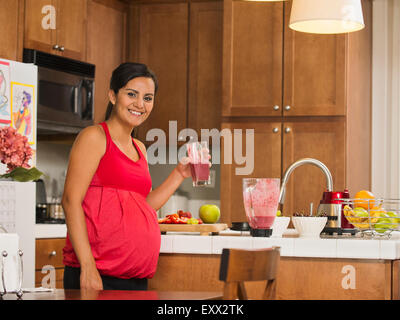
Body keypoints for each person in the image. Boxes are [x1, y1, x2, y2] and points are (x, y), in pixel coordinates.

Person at [62, 62, 210, 291]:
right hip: (98, 274)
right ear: (112, 95)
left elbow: (144, 205)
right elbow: (71, 201)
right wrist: (88, 267)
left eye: (148, 98)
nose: (140, 104)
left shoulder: (139, 147)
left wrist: (179, 174)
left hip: (134, 276)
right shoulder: (94, 137)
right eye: (132, 94)